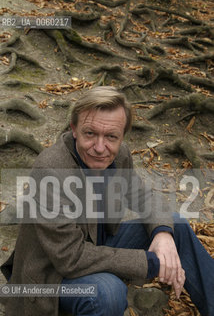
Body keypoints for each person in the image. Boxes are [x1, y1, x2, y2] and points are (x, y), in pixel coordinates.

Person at [1, 86, 214, 316]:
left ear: (122, 135)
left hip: (96, 246)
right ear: (74, 129)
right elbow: (70, 258)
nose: (100, 148)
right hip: (49, 279)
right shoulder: (50, 171)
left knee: (175, 226)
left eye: (111, 136)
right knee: (106, 292)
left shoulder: (119, 154)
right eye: (90, 133)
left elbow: (143, 196)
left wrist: (163, 234)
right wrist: (152, 262)